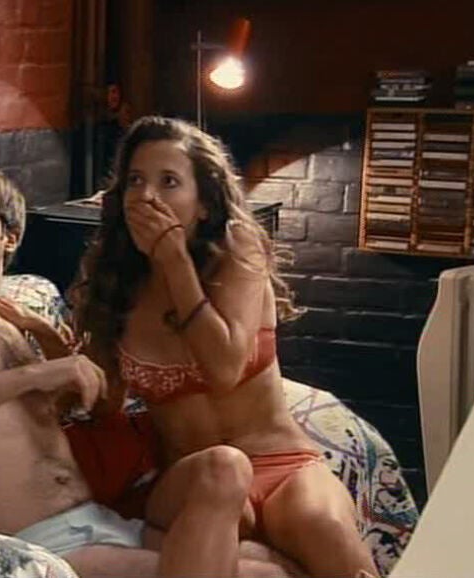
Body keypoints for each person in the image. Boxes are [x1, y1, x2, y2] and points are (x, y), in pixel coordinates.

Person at [0, 159, 304, 578]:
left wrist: (45, 340)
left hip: (101, 521)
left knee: (251, 515)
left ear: (10, 237)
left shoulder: (9, 324)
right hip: (42, 547)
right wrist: (35, 374)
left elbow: (75, 409)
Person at [70, 116, 380, 578]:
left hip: (281, 464)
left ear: (203, 203)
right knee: (227, 495)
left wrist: (175, 263)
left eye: (168, 181)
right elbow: (101, 399)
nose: (147, 196)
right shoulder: (116, 283)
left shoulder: (238, 250)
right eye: (135, 180)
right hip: (195, 480)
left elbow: (224, 368)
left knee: (328, 533)